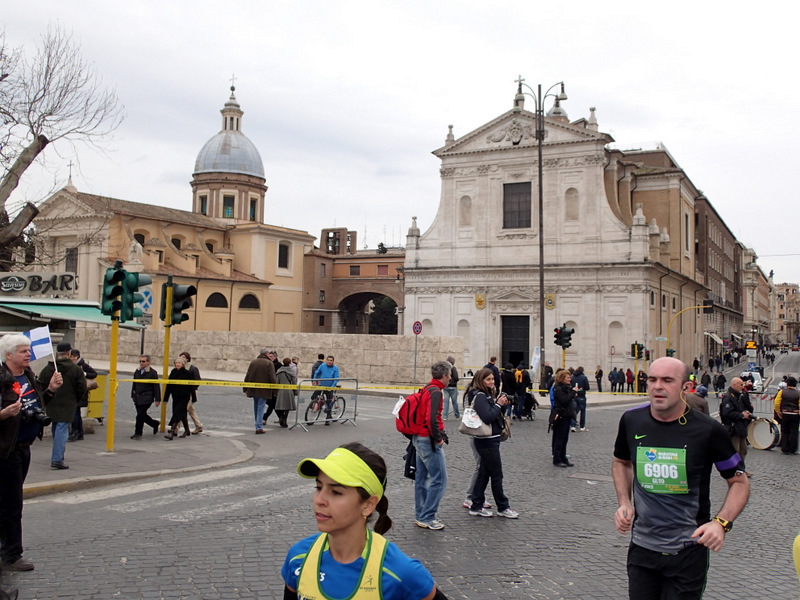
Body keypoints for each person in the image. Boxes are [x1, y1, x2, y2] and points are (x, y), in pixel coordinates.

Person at [612, 357, 750, 600]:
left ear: (686, 387)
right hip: (642, 549)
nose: (657, 386)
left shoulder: (709, 431)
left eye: (667, 380)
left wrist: (721, 523)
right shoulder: (631, 420)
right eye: (652, 379)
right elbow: (621, 462)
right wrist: (624, 502)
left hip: (687, 552)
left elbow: (739, 482)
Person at [282, 442, 446, 600]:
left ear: (368, 505)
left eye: (336, 492)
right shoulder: (299, 556)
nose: (319, 500)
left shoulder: (400, 572)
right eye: (318, 487)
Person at [1, 333, 63, 571]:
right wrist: (4, 414)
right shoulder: (1, 379)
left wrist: (50, 390)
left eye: (28, 350)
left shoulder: (28, 375)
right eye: (23, 351)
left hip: (24, 448)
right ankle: (12, 555)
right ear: (8, 355)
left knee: (7, 501)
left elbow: (37, 406)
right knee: (12, 504)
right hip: (6, 450)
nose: (29, 354)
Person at [464, 368, 518, 518]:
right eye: (488, 379)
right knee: (496, 475)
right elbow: (487, 417)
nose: (492, 382)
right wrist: (498, 404)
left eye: (493, 379)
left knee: (484, 473)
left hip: (490, 439)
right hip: (486, 441)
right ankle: (503, 506)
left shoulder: (487, 395)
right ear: (481, 381)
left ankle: (476, 505)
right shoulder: (479, 396)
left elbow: (494, 414)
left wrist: (501, 403)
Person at [413, 360, 450, 530]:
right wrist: (438, 438)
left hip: (419, 438)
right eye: (449, 375)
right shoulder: (436, 392)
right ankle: (428, 517)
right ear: (443, 376)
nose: (450, 378)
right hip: (428, 440)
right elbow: (431, 417)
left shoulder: (427, 388)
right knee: (439, 480)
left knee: (421, 478)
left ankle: (421, 515)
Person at [37, 342, 87, 470]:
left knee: (56, 429)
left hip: (51, 403)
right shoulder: (76, 369)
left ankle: (57, 454)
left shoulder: (48, 369)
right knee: (62, 431)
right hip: (68, 404)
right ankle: (57, 458)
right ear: (69, 353)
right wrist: (76, 399)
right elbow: (82, 388)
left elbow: (40, 385)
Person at [720, 377, 754, 469]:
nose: (743, 387)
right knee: (736, 451)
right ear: (734, 385)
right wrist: (742, 415)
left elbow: (741, 408)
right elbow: (727, 413)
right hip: (734, 428)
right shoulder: (728, 397)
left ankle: (741, 469)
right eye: (741, 385)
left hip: (741, 427)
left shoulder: (739, 395)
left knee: (743, 451)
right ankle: (735, 470)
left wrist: (746, 412)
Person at [243, 348, 277, 434]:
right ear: (266, 354)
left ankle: (257, 423)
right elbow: (272, 378)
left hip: (253, 388)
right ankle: (259, 427)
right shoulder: (269, 363)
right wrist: (276, 390)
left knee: (256, 406)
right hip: (264, 389)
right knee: (261, 407)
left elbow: (248, 375)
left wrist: (245, 388)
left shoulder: (253, 362)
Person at [67, 348, 97, 442]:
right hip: (74, 392)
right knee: (76, 414)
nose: (72, 358)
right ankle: (79, 432)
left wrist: (84, 374)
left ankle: (75, 432)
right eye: (71, 356)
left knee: (75, 413)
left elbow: (94, 374)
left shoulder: (82, 365)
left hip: (80, 393)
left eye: (74, 356)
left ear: (78, 357)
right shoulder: (70, 365)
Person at [130, 355, 161, 440]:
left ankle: (138, 433)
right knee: (142, 415)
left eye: (143, 361)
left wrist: (157, 399)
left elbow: (156, 386)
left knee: (140, 415)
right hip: (138, 396)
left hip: (147, 396)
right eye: (140, 361)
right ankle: (154, 423)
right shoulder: (137, 371)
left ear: (148, 362)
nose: (141, 363)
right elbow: (134, 383)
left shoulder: (152, 373)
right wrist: (132, 394)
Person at [163, 357, 194, 440]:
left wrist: (193, 397)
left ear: (183, 364)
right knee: (182, 413)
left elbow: (191, 386)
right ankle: (187, 430)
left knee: (177, 413)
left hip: (184, 396)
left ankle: (172, 431)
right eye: (176, 363)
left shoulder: (187, 373)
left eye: (179, 363)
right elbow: (169, 386)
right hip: (175, 396)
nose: (177, 364)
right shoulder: (173, 372)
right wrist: (166, 398)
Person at [551, 369, 576, 468]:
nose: (570, 379)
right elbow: (564, 400)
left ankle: (563, 457)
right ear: (562, 378)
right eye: (568, 377)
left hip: (567, 415)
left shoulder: (566, 387)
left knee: (565, 438)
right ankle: (557, 459)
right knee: (559, 438)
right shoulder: (558, 388)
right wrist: (573, 392)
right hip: (560, 415)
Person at [179, 352, 203, 434]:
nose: (182, 359)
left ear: (187, 359)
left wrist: (192, 388)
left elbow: (197, 381)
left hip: (191, 392)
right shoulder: (180, 368)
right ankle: (198, 426)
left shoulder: (193, 369)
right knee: (191, 410)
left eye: (183, 357)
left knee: (182, 409)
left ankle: (175, 428)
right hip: (182, 392)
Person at [775, 376, 799, 455]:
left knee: (785, 431)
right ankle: (792, 448)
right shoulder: (798, 393)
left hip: (785, 413)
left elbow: (777, 403)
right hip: (795, 414)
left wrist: (778, 412)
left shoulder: (782, 392)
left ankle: (784, 447)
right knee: (794, 431)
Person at [313, 355, 340, 426]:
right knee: (313, 396)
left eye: (331, 360)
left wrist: (332, 387)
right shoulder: (322, 366)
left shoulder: (335, 368)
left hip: (330, 387)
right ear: (326, 360)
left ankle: (328, 418)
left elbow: (336, 378)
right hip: (322, 385)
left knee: (328, 402)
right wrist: (314, 380)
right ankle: (320, 403)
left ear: (333, 361)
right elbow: (317, 372)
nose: (329, 362)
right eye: (328, 360)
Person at [274, 357, 297, 428]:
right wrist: (295, 391)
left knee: (281, 405)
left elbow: (277, 381)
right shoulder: (291, 371)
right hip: (289, 389)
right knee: (287, 406)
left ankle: (281, 417)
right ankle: (285, 419)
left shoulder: (279, 371)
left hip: (281, 390)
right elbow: (294, 382)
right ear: (289, 363)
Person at [570, 366, 590, 432]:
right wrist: (581, 389)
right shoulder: (584, 377)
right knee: (583, 411)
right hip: (581, 396)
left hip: (574, 396)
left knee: (574, 411)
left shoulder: (572, 377)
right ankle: (582, 427)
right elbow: (587, 387)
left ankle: (572, 426)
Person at [441, 356, 460, 421]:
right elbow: (456, 378)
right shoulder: (453, 368)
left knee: (446, 402)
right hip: (453, 387)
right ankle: (457, 416)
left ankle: (445, 416)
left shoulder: (444, 368)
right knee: (454, 402)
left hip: (446, 387)